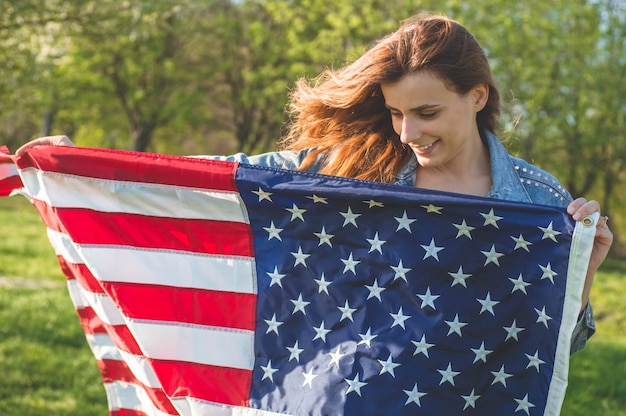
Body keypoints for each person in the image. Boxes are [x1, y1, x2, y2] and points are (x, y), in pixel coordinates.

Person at [17, 14, 613, 354]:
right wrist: (90, 167)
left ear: (476, 97)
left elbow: (547, 353)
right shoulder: (359, 168)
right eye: (396, 114)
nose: (408, 132)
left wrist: (582, 275)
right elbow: (229, 175)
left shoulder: (538, 202)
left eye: (427, 113)